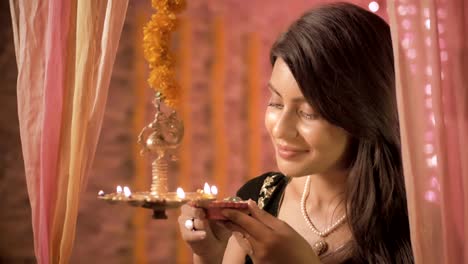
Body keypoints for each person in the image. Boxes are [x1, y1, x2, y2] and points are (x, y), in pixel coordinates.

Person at [178, 2, 414, 263]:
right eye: (276, 103)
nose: (280, 129)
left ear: (363, 113)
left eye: (308, 113)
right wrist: (209, 255)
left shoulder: (415, 225)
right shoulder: (258, 199)